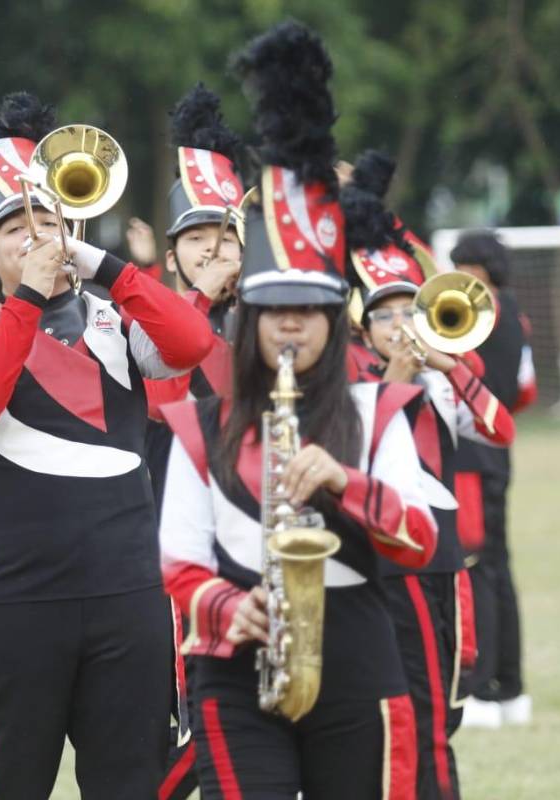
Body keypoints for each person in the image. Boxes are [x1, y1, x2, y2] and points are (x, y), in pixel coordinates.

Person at [158, 23, 438, 799]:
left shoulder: (377, 411)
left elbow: (420, 539)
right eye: (274, 309)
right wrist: (225, 606)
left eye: (308, 309)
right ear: (249, 320)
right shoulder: (200, 426)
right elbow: (177, 560)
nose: (290, 324)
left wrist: (346, 482)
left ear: (333, 319)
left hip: (358, 662)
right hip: (233, 664)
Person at [0, 91, 214, 799]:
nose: (35, 235)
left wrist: (105, 266)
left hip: (127, 592)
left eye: (50, 221)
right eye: (14, 228)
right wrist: (27, 298)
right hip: (13, 601)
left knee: (131, 782)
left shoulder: (118, 323)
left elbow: (191, 343)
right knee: (10, 783)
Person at [344, 152, 517, 799]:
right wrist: (395, 379)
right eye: (384, 315)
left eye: (405, 312)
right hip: (386, 564)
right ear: (363, 327)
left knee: (445, 707)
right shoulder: (353, 384)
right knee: (401, 714)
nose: (399, 326)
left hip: (442, 560)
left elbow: (500, 429)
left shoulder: (441, 382)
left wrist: (450, 367)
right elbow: (359, 455)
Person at [140, 82, 247, 800]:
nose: (214, 252)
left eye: (226, 238)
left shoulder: (276, 317)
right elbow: (160, 400)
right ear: (173, 256)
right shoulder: (160, 317)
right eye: (197, 241)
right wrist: (202, 300)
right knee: (194, 716)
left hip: (263, 530)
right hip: (182, 542)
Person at [449, 231, 535, 729]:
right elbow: (526, 389)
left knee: (476, 567)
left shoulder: (476, 309)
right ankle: (511, 687)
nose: (460, 274)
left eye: (468, 265)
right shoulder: (518, 314)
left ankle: (481, 689)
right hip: (498, 454)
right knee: (498, 568)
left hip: (469, 455)